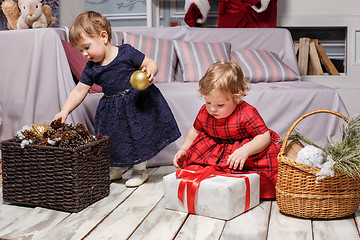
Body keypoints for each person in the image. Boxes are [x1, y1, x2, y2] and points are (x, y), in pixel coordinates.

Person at [54, 11, 181, 187]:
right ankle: (116, 168)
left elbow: (150, 63)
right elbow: (79, 91)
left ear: (103, 37)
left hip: (136, 103)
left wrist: (150, 71)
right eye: (81, 50)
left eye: (87, 47)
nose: (84, 54)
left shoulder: (126, 53)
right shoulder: (91, 68)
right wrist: (64, 110)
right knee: (113, 139)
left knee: (139, 137)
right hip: (112, 109)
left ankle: (139, 170)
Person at [173, 61, 281, 199]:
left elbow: (263, 136)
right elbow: (195, 131)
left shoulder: (246, 113)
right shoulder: (205, 113)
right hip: (213, 151)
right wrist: (183, 149)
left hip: (240, 151)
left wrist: (245, 150)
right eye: (208, 102)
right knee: (201, 172)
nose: (212, 109)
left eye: (220, 104)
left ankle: (246, 192)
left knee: (260, 166)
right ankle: (210, 190)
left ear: (237, 98)